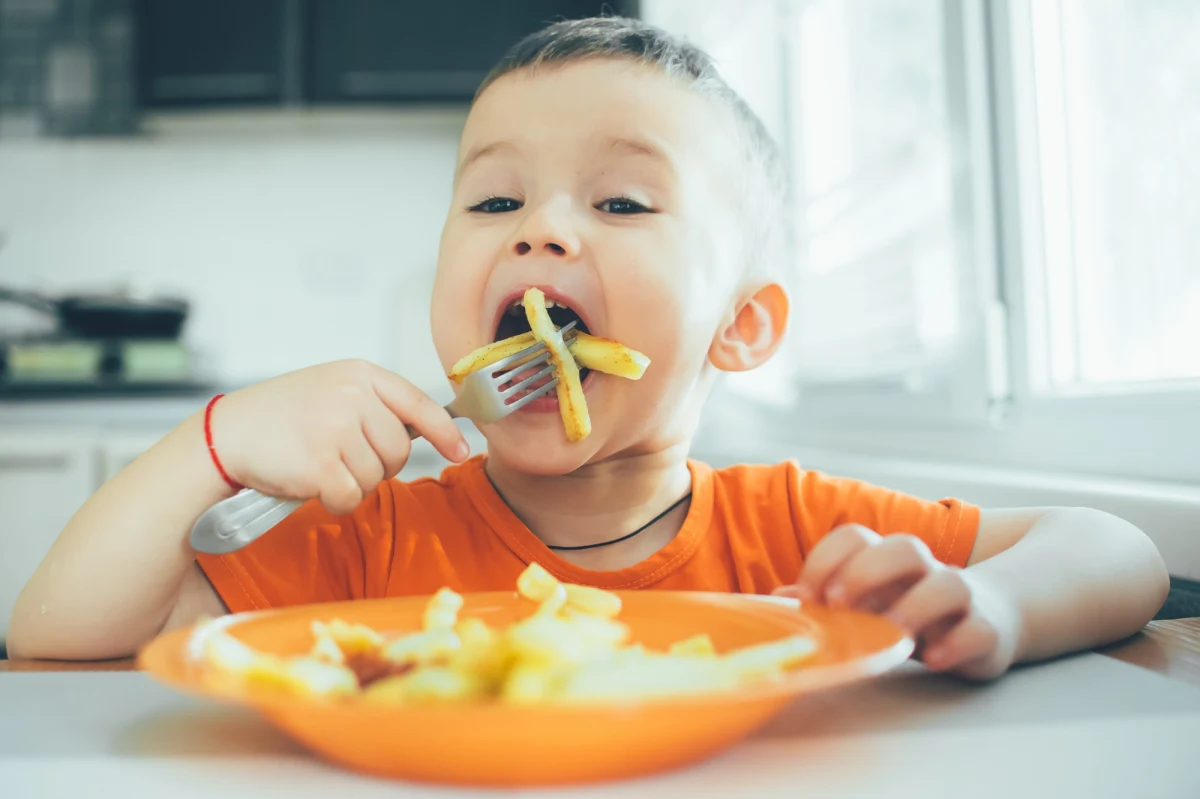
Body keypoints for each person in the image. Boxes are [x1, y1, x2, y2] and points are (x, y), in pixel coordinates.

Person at [8, 17, 1167, 680]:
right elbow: (53, 640)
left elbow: (1117, 548)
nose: (543, 227)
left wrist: (990, 607)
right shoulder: (372, 540)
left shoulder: (797, 532)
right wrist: (214, 441)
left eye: (620, 205)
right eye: (495, 200)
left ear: (741, 325)